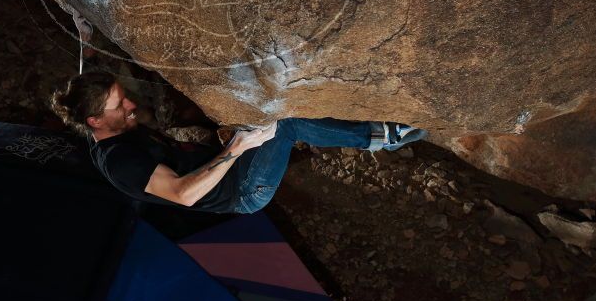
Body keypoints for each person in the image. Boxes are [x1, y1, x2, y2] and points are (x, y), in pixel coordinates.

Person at [51, 71, 426, 214]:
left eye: (124, 96)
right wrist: (236, 148)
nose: (131, 105)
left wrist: (85, 41)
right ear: (95, 121)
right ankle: (382, 137)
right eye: (120, 105)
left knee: (263, 120)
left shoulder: (111, 125)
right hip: (243, 192)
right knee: (286, 125)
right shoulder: (120, 161)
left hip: (230, 166)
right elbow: (183, 194)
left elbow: (89, 86)